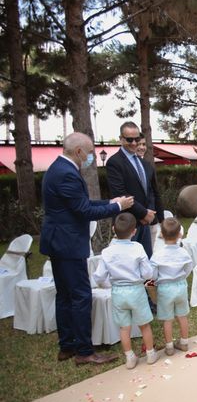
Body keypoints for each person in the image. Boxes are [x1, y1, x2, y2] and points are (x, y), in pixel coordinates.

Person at [40, 132, 133, 365]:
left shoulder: (58, 168)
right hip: (68, 243)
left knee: (64, 295)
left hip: (58, 240)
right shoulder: (67, 173)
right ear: (79, 151)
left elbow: (82, 204)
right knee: (80, 295)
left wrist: (111, 202)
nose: (91, 156)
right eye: (90, 152)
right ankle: (83, 350)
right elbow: (84, 211)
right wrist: (117, 207)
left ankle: (67, 345)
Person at [93, 213, 159, 369]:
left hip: (118, 292)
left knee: (124, 327)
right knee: (144, 325)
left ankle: (129, 357)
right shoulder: (137, 248)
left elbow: (99, 276)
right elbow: (148, 274)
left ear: (114, 229)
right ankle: (150, 354)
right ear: (134, 231)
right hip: (136, 291)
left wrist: (108, 284)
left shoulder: (107, 252)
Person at [106, 121, 164, 258]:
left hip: (145, 223)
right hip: (125, 224)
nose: (133, 143)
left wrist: (151, 215)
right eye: (129, 139)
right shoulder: (114, 162)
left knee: (146, 262)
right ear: (121, 139)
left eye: (136, 139)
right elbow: (120, 194)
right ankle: (131, 282)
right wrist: (143, 213)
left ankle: (148, 282)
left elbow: (150, 192)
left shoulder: (144, 163)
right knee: (127, 265)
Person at [150, 218, 194, 355]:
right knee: (182, 316)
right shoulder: (183, 253)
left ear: (161, 234)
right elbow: (189, 268)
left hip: (165, 289)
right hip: (180, 286)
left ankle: (169, 347)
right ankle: (184, 342)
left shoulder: (157, 255)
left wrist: (155, 283)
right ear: (179, 235)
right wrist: (181, 277)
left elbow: (153, 274)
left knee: (167, 319)